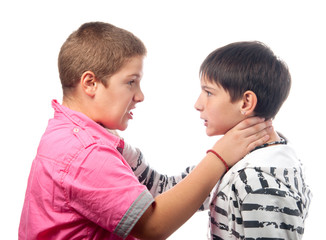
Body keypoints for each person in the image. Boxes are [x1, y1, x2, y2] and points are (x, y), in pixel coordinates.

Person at [18, 23, 272, 240]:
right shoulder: (86, 154)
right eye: (130, 82)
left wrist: (230, 158)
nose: (140, 96)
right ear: (91, 83)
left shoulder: (71, 134)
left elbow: (161, 191)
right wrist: (219, 157)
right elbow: (153, 226)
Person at [125, 41, 312, 239]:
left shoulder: (258, 180)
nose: (198, 104)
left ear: (246, 102)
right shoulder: (237, 158)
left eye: (209, 92)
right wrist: (118, 144)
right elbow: (166, 189)